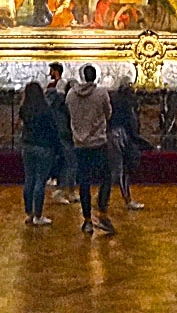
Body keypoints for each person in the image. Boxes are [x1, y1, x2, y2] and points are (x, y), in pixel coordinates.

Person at [65, 65, 115, 235]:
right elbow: (108, 114)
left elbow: (69, 114)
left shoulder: (71, 95)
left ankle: (87, 220)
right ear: (95, 77)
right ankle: (102, 211)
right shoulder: (101, 94)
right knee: (106, 178)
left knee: (84, 182)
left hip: (80, 144)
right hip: (98, 143)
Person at [18, 82, 62, 226]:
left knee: (29, 179)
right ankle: (38, 214)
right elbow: (53, 129)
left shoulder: (24, 109)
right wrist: (57, 148)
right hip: (43, 147)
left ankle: (29, 213)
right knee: (40, 181)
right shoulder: (45, 110)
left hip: (27, 145)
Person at [108, 80, 149, 210]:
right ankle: (124, 200)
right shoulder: (125, 105)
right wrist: (141, 141)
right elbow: (130, 126)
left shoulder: (115, 102)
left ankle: (104, 199)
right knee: (119, 171)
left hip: (115, 136)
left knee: (118, 170)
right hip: (120, 137)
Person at [45, 63, 77, 205]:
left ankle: (67, 190)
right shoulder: (57, 94)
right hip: (64, 132)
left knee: (68, 162)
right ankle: (65, 190)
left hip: (60, 131)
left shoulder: (57, 90)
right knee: (69, 162)